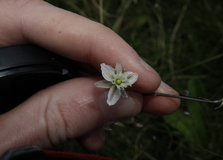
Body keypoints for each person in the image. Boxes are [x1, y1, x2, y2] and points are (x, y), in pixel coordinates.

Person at [0, 0, 180, 156]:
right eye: (119, 80)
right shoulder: (110, 80)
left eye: (120, 80)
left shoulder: (115, 82)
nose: (119, 81)